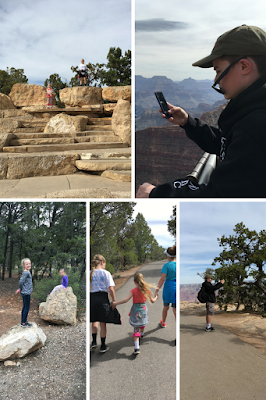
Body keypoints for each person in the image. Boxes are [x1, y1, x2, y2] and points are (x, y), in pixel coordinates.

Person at [136, 24, 266, 198]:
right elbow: (228, 146)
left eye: (219, 71)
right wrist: (188, 122)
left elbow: (217, 194)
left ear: (244, 67)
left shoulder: (255, 126)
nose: (216, 80)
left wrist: (155, 193)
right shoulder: (252, 117)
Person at [111, 272, 158, 355]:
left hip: (135, 310)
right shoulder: (147, 290)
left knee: (136, 327)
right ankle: (142, 334)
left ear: (134, 282)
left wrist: (115, 303)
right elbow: (152, 301)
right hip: (143, 309)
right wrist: (156, 297)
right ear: (143, 280)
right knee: (142, 322)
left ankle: (137, 348)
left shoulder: (133, 290)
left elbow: (125, 300)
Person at [90, 254, 121, 353]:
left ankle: (94, 342)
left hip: (92, 299)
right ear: (102, 262)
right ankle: (103, 345)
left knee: (94, 321)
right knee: (103, 323)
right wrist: (114, 301)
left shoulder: (89, 273)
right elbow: (111, 288)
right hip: (103, 299)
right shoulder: (106, 273)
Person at [155, 246, 176, 330]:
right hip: (176, 289)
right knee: (175, 310)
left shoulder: (166, 266)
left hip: (168, 288)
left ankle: (163, 322)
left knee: (166, 307)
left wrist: (157, 290)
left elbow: (162, 279)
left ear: (168, 256)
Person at [15, 258, 33, 328]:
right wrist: (22, 289)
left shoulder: (27, 272)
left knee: (25, 307)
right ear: (23, 265)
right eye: (27, 264)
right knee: (26, 307)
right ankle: (24, 323)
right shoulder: (25, 272)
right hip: (26, 293)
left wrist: (20, 289)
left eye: (29, 263)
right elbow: (21, 282)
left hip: (25, 292)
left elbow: (24, 282)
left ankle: (24, 321)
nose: (28, 265)